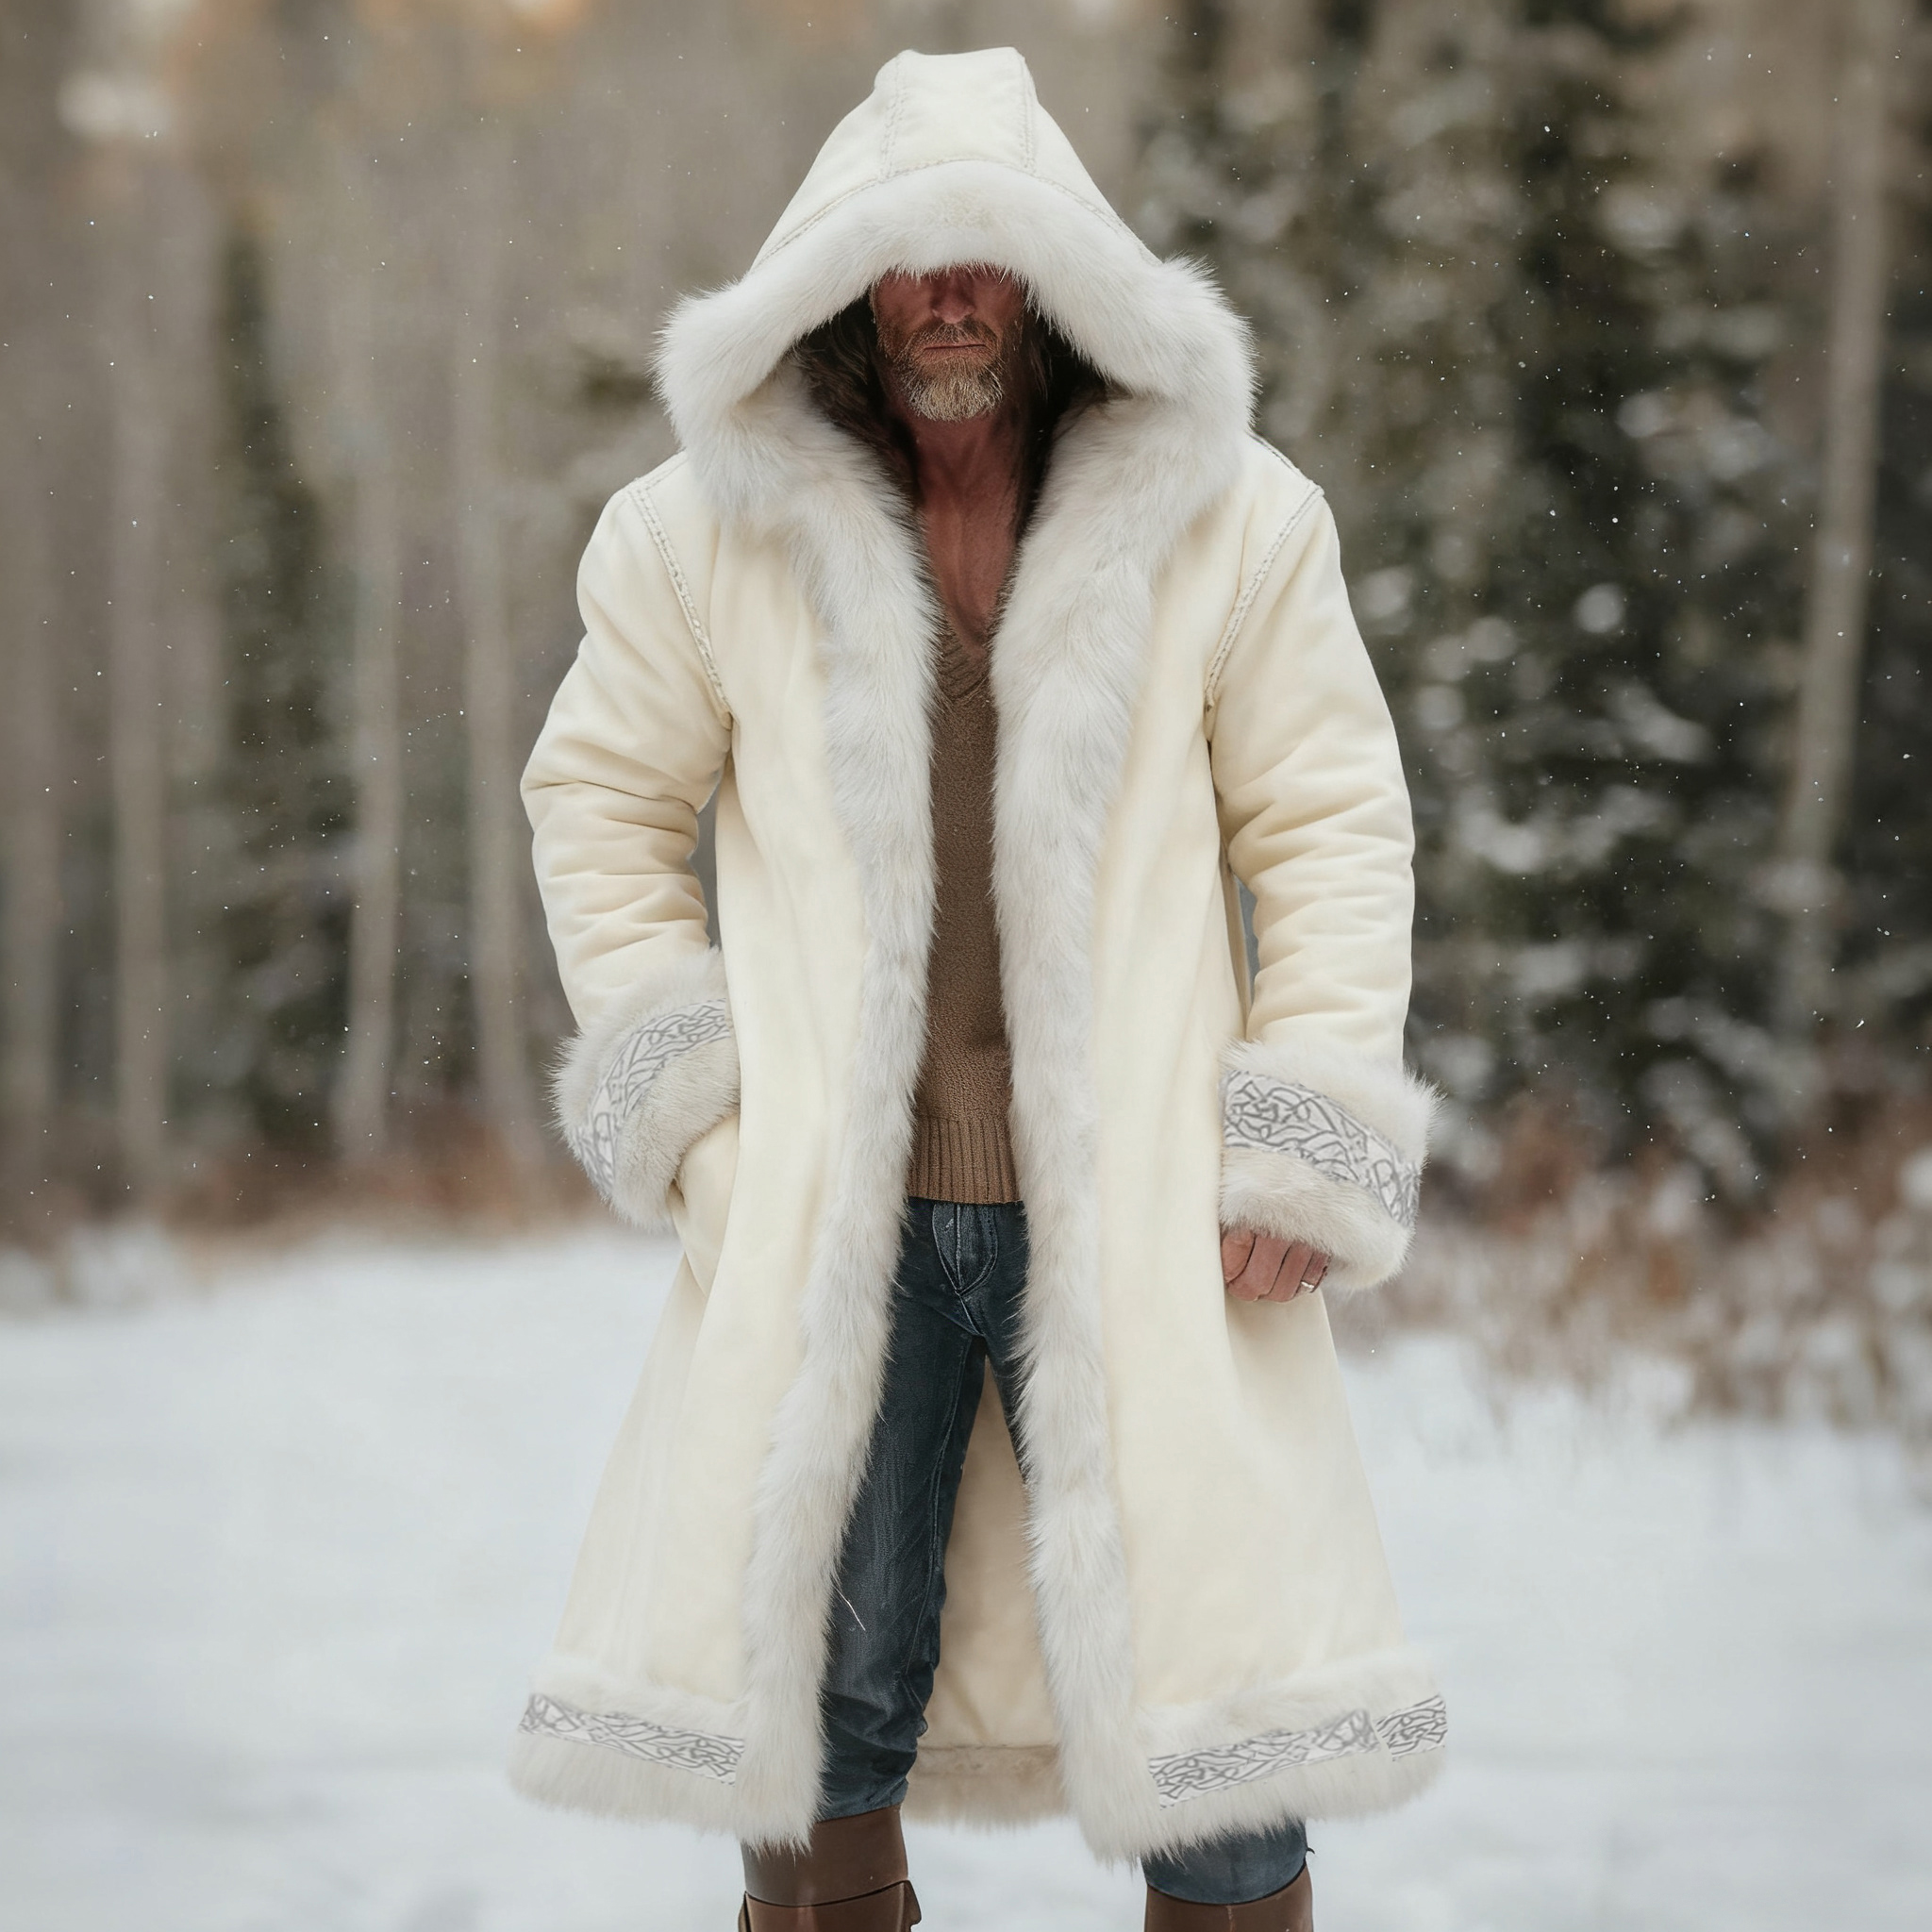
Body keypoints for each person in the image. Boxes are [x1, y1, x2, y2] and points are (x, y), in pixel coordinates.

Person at [514, 47, 1443, 1931]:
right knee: (820, 1709)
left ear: (1052, 274)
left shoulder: (1233, 519)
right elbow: (597, 805)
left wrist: (1308, 1127)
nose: (948, 291)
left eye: (987, 254)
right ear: (846, 279)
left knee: (1216, 1726)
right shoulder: (692, 533)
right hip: (837, 1213)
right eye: (909, 257)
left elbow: (1332, 825)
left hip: (1148, 1209)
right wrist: (697, 1116)